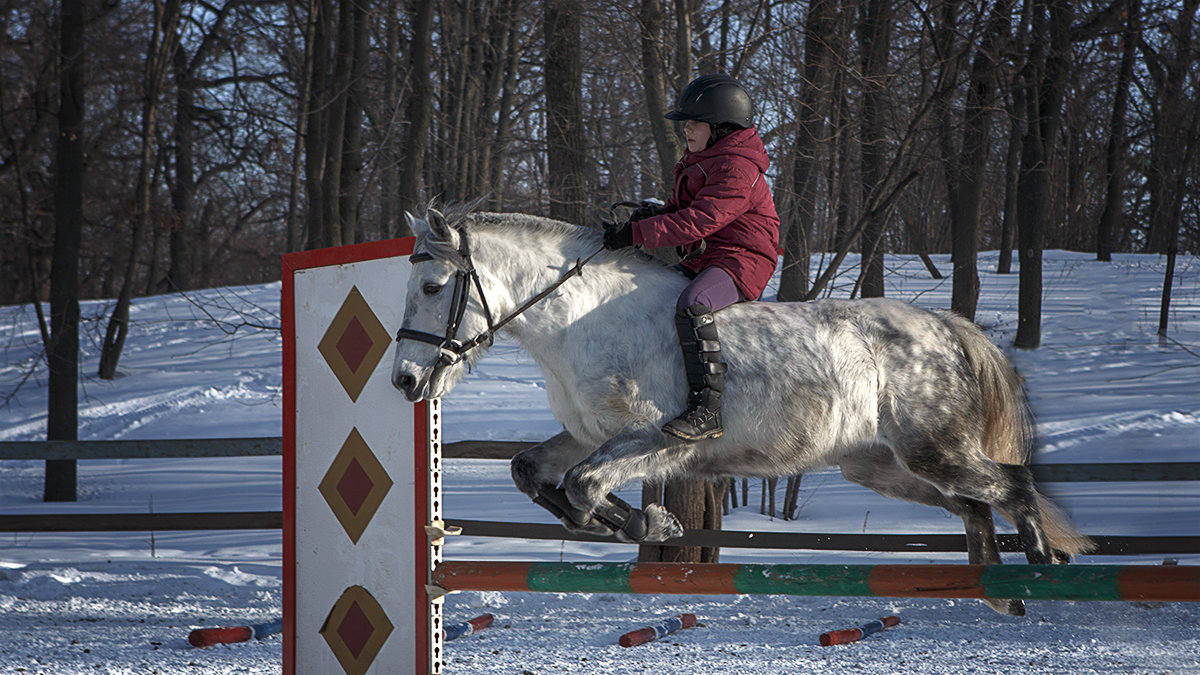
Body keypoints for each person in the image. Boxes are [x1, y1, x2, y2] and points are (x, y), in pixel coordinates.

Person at [604, 73, 780, 441]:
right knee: (651, 293)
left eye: (694, 123)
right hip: (708, 256)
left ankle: (706, 410)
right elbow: (681, 210)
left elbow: (700, 220)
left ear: (720, 127)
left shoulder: (737, 167)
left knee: (692, 302)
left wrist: (636, 235)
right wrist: (651, 216)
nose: (686, 130)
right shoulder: (703, 159)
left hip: (742, 259)